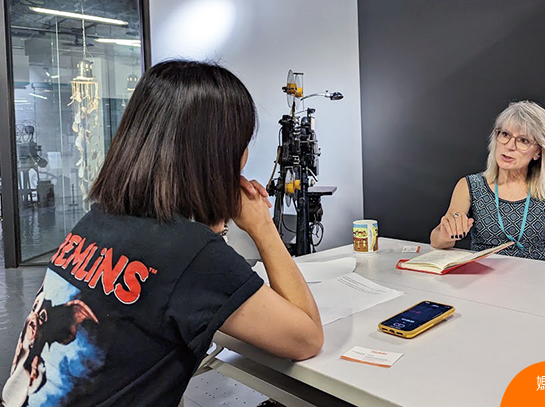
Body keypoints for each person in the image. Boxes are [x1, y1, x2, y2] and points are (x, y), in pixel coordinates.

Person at [2, 61, 323, 407]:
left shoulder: (95, 223)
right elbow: (306, 338)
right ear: (219, 156)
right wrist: (263, 227)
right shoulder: (190, 252)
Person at [430, 100, 545, 264]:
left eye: (523, 140)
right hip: (483, 276)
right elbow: (436, 239)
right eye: (505, 134)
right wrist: (446, 234)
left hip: (536, 278)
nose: (510, 146)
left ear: (539, 152)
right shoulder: (469, 186)